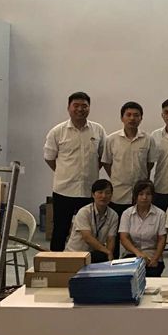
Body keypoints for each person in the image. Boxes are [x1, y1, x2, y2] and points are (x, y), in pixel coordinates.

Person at [44, 92, 106, 252]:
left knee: (90, 230)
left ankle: (87, 262)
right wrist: (65, 172)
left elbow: (102, 157)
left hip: (89, 191)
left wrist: (90, 171)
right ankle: (57, 262)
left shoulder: (98, 130)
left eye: (84, 106)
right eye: (76, 105)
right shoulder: (57, 131)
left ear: (89, 108)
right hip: (64, 190)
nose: (80, 109)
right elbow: (49, 158)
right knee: (60, 230)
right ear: (68, 108)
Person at [101, 101, 156, 219]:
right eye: (128, 115)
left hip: (140, 195)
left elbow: (150, 163)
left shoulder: (148, 139)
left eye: (136, 115)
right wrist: (117, 177)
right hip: (118, 194)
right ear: (122, 118)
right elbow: (107, 163)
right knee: (117, 226)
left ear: (141, 118)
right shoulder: (111, 139)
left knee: (140, 226)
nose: (132, 118)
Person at [118, 179, 167, 276]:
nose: (144, 197)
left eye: (148, 194)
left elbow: (162, 239)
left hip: (153, 256)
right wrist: (138, 253)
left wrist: (155, 259)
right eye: (141, 194)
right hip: (132, 255)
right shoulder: (127, 213)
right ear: (135, 196)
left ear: (152, 196)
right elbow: (124, 238)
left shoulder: (160, 214)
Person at [65, 179, 119, 264]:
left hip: (94, 254)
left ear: (111, 195)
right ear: (93, 194)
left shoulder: (113, 215)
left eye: (107, 193)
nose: (104, 196)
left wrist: (109, 256)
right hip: (76, 254)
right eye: (100, 192)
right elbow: (87, 237)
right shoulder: (84, 212)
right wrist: (107, 251)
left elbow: (111, 239)